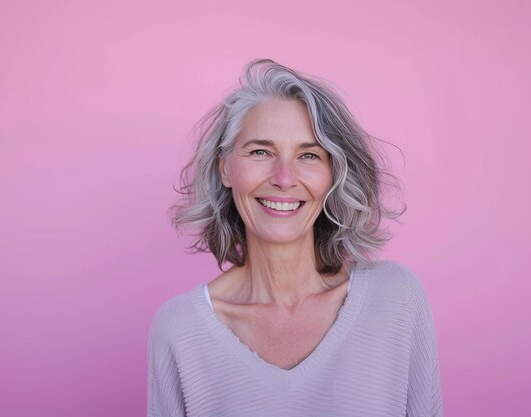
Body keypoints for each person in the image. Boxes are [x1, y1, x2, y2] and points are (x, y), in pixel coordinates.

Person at [147, 59, 443, 417]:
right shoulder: (181, 329)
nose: (284, 178)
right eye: (260, 151)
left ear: (332, 174)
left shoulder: (396, 299)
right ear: (225, 167)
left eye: (308, 155)